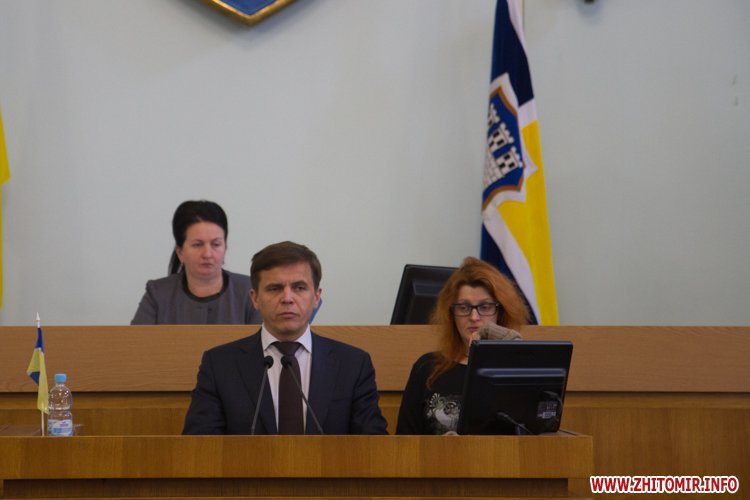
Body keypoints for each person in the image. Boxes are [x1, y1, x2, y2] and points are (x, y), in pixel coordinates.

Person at [182, 241, 388, 435]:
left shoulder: (352, 364)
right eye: (275, 288)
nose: (287, 298)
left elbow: (374, 445)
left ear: (316, 297)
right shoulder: (220, 365)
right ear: (255, 298)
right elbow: (199, 446)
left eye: (299, 288)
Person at [396, 256, 528, 435]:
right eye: (464, 308)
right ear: (451, 313)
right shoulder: (427, 367)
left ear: (501, 312)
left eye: (485, 307)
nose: (474, 317)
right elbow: (404, 441)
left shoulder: (518, 370)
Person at [131, 200, 262, 325]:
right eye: (197, 245)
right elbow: (135, 339)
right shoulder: (157, 293)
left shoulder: (250, 290)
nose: (207, 254)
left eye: (216, 244)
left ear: (225, 248)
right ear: (180, 252)